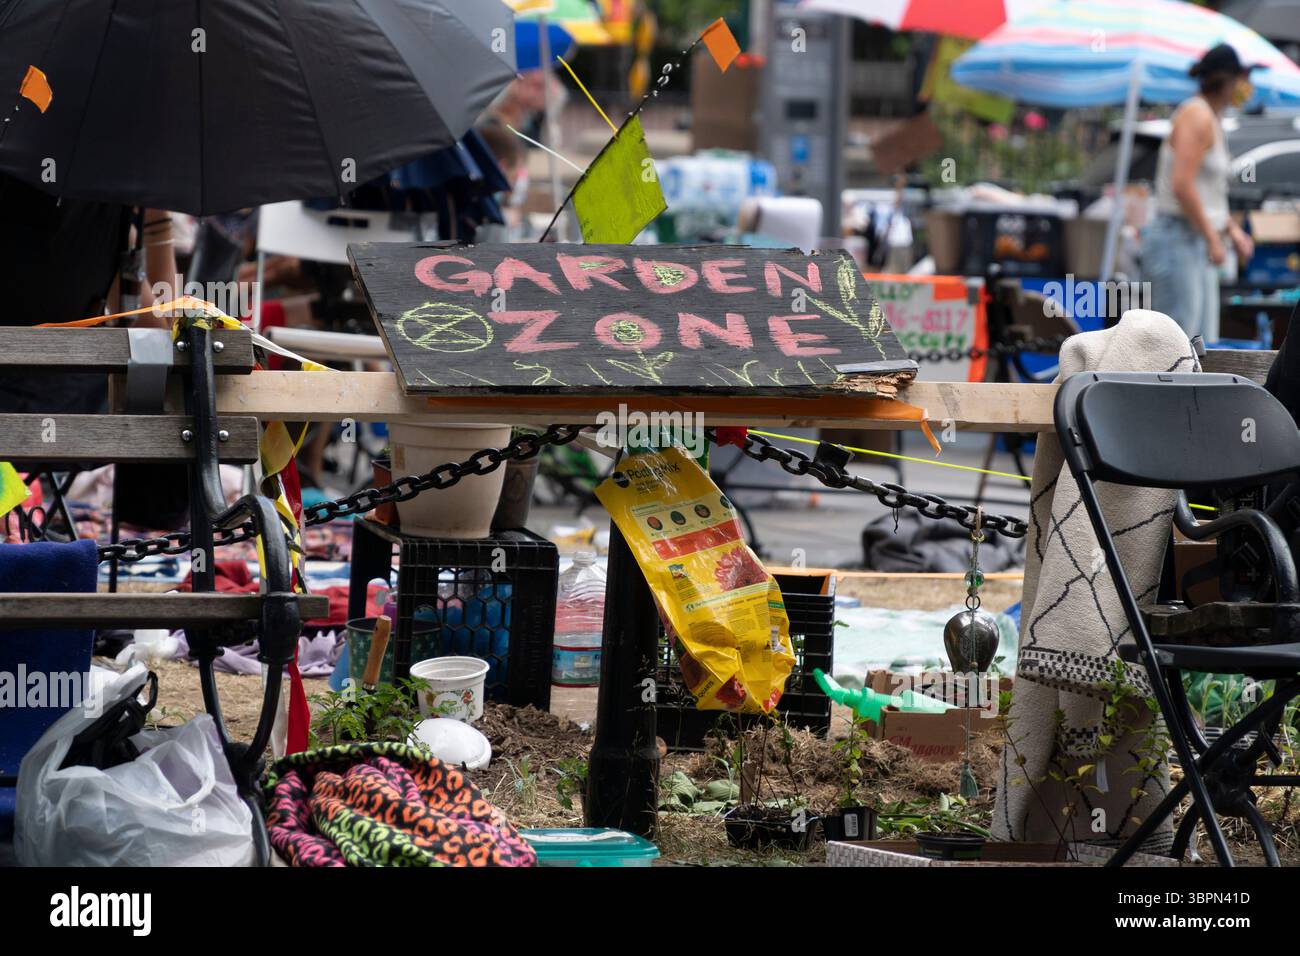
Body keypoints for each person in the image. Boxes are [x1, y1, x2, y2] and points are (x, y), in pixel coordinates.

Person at [1145, 44, 1257, 343]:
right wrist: (1212, 237)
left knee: (1202, 343)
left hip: (1194, 240)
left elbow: (1208, 194)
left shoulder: (1211, 117)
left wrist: (1230, 231)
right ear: (1228, 80)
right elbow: (1182, 186)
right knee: (1177, 343)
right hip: (1177, 238)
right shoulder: (1196, 115)